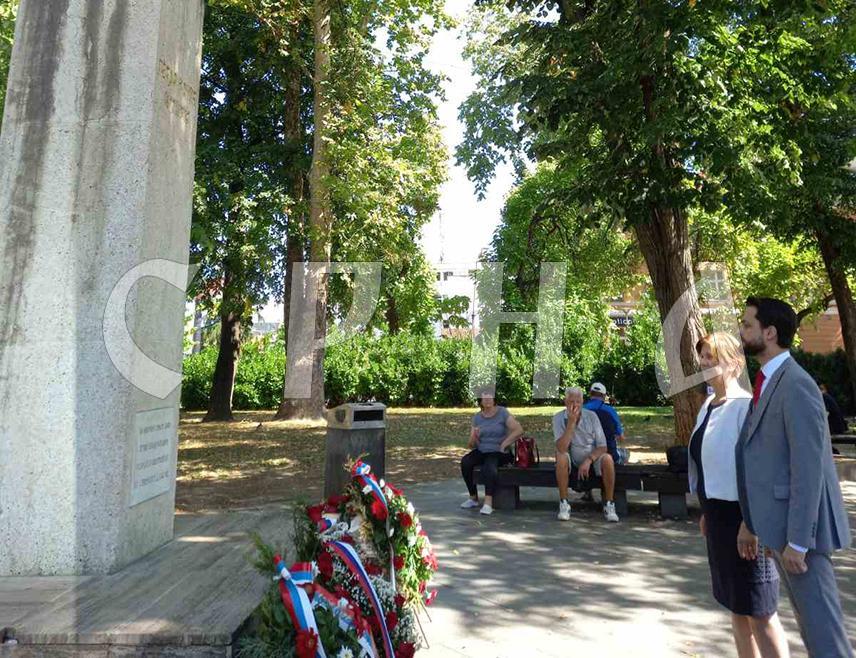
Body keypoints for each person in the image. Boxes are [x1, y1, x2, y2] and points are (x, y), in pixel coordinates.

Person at [737, 297, 853, 658]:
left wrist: (800, 541)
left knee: (825, 636)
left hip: (803, 536)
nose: (740, 332)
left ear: (769, 333)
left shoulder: (796, 384)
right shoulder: (770, 380)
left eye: (747, 325)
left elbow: (809, 468)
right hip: (783, 530)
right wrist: (752, 521)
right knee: (811, 628)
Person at [690, 332, 790, 658]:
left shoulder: (746, 406)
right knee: (736, 607)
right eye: (703, 356)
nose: (705, 363)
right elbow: (711, 462)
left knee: (760, 611)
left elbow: (758, 471)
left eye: (712, 357)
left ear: (734, 363)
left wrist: (751, 523)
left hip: (746, 521)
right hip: (719, 520)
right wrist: (707, 510)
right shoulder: (708, 404)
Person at [553, 387, 619, 523]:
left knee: (608, 459)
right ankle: (564, 504)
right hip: (571, 458)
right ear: (565, 402)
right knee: (560, 456)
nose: (575, 405)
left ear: (583, 402)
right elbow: (561, 447)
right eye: (571, 401)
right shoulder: (558, 418)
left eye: (578, 401)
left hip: (592, 458)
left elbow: (602, 446)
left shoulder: (592, 416)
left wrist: (589, 460)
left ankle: (609, 504)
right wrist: (571, 423)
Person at [460, 391, 524, 516]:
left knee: (489, 466)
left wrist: (505, 444)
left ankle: (488, 503)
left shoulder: (502, 413)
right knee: (466, 462)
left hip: (500, 451)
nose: (488, 400)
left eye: (490, 397)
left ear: (494, 399)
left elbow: (519, 430)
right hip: (483, 450)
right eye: (485, 397)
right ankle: (473, 498)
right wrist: (474, 437)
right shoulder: (477, 417)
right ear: (481, 401)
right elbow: (471, 445)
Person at [584, 382, 628, 465]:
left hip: (584, 456)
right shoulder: (610, 411)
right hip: (609, 456)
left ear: (590, 394)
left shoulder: (581, 410)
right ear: (604, 396)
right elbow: (621, 437)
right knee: (625, 454)